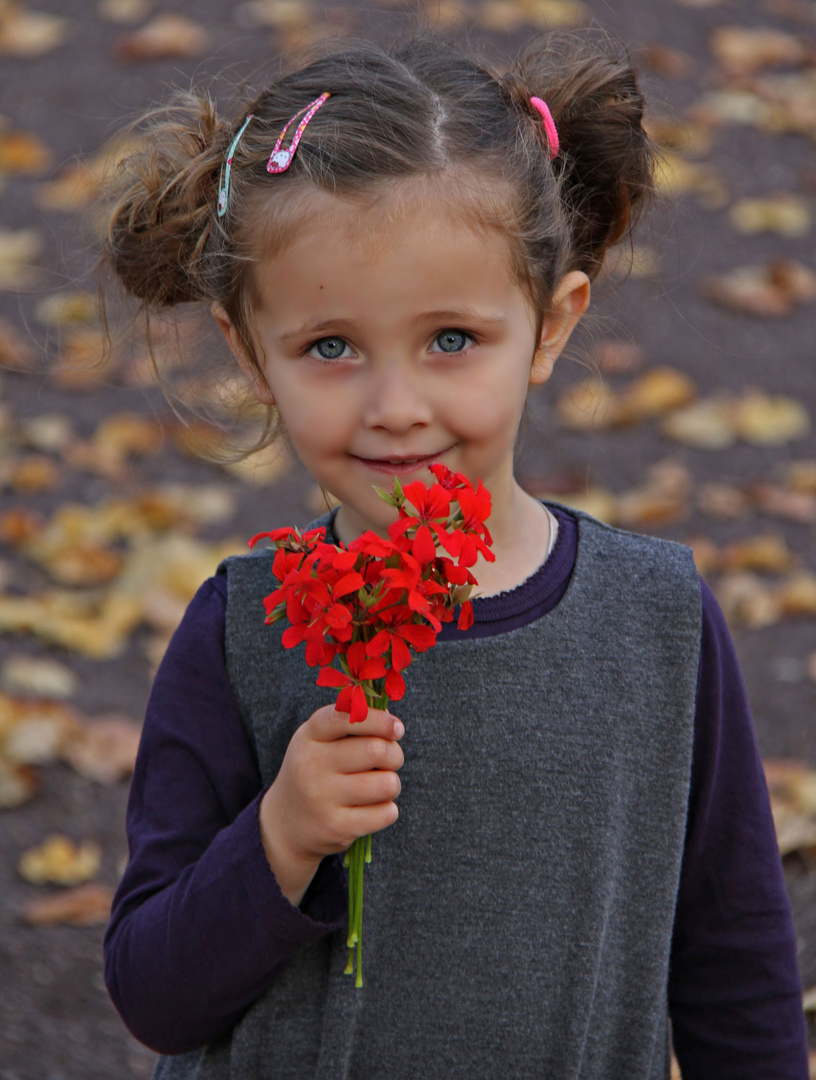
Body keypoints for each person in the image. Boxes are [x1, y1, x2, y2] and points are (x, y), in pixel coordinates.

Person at [100, 25, 809, 1080]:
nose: (397, 409)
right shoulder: (246, 630)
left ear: (551, 324)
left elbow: (735, 971)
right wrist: (281, 839)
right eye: (330, 347)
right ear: (252, 354)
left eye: (452, 340)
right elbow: (154, 995)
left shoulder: (655, 622)